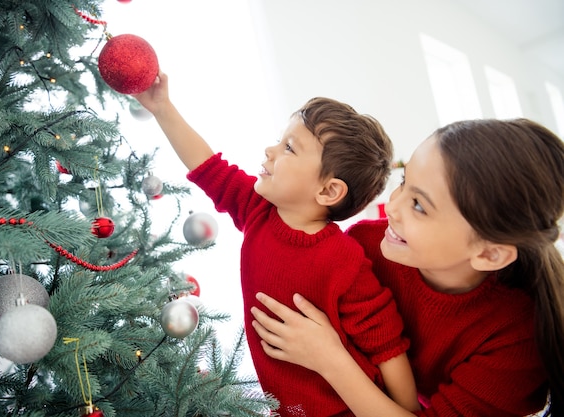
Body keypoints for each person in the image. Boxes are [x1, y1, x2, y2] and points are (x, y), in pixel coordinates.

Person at [133, 72, 421, 415]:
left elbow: (385, 342)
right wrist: (162, 108)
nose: (270, 151)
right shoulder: (261, 213)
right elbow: (208, 167)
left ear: (328, 191)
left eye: (289, 147)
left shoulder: (343, 260)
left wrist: (407, 409)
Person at [250, 118, 564, 416]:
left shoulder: (518, 341)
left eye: (418, 205)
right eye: (404, 181)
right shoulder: (365, 247)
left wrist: (330, 360)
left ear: (490, 255)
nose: (393, 206)